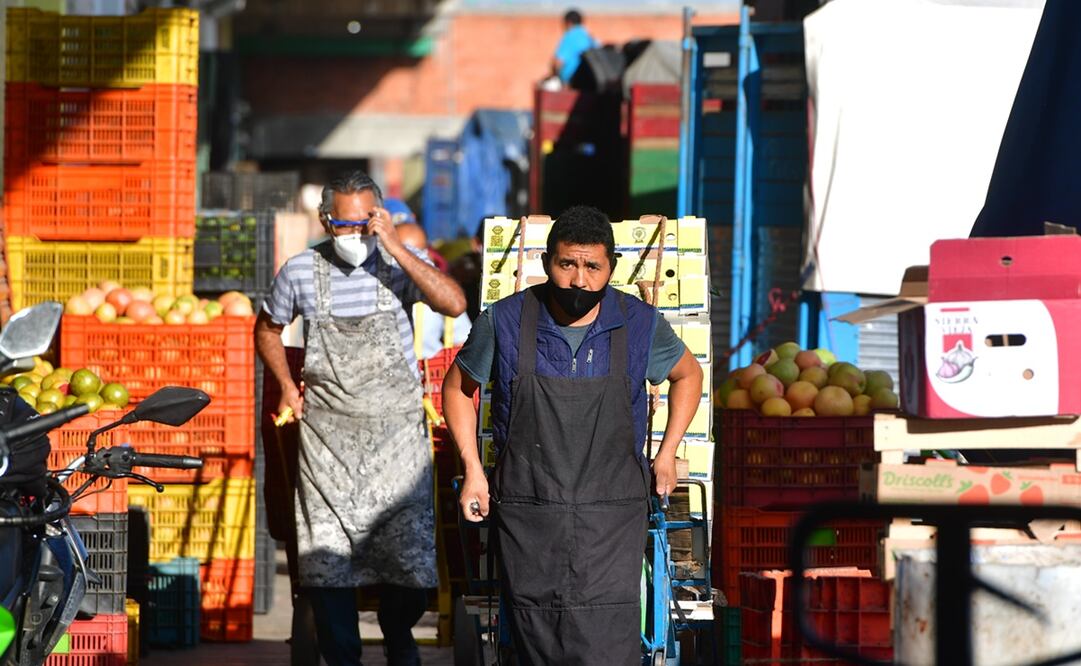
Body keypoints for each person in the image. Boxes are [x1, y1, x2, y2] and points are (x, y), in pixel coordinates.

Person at [441, 205, 703, 665]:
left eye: (592, 266)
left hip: (611, 520)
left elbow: (688, 375)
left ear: (611, 268)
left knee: (606, 641)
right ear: (547, 263)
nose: (579, 280)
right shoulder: (505, 320)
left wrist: (667, 452)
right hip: (530, 516)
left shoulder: (638, 323)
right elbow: (459, 388)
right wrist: (472, 469)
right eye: (567, 264)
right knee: (532, 637)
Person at [254, 169, 466, 666]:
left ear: (380, 216)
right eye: (344, 225)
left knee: (411, 563)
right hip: (328, 443)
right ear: (327, 222)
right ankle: (344, 657)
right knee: (326, 564)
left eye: (365, 221)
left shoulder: (397, 267)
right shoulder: (300, 271)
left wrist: (394, 244)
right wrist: (287, 385)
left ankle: (398, 631)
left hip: (398, 444)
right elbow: (267, 328)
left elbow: (454, 302)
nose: (354, 235)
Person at [394, 222, 472, 360]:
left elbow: (462, 337)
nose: (410, 263)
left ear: (428, 254)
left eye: (417, 254)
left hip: (431, 371)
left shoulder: (439, 288)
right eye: (402, 254)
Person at [552, 8, 599, 84]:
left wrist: (555, 76)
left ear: (568, 23)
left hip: (573, 82)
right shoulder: (590, 37)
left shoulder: (570, 36)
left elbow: (557, 62)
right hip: (592, 82)